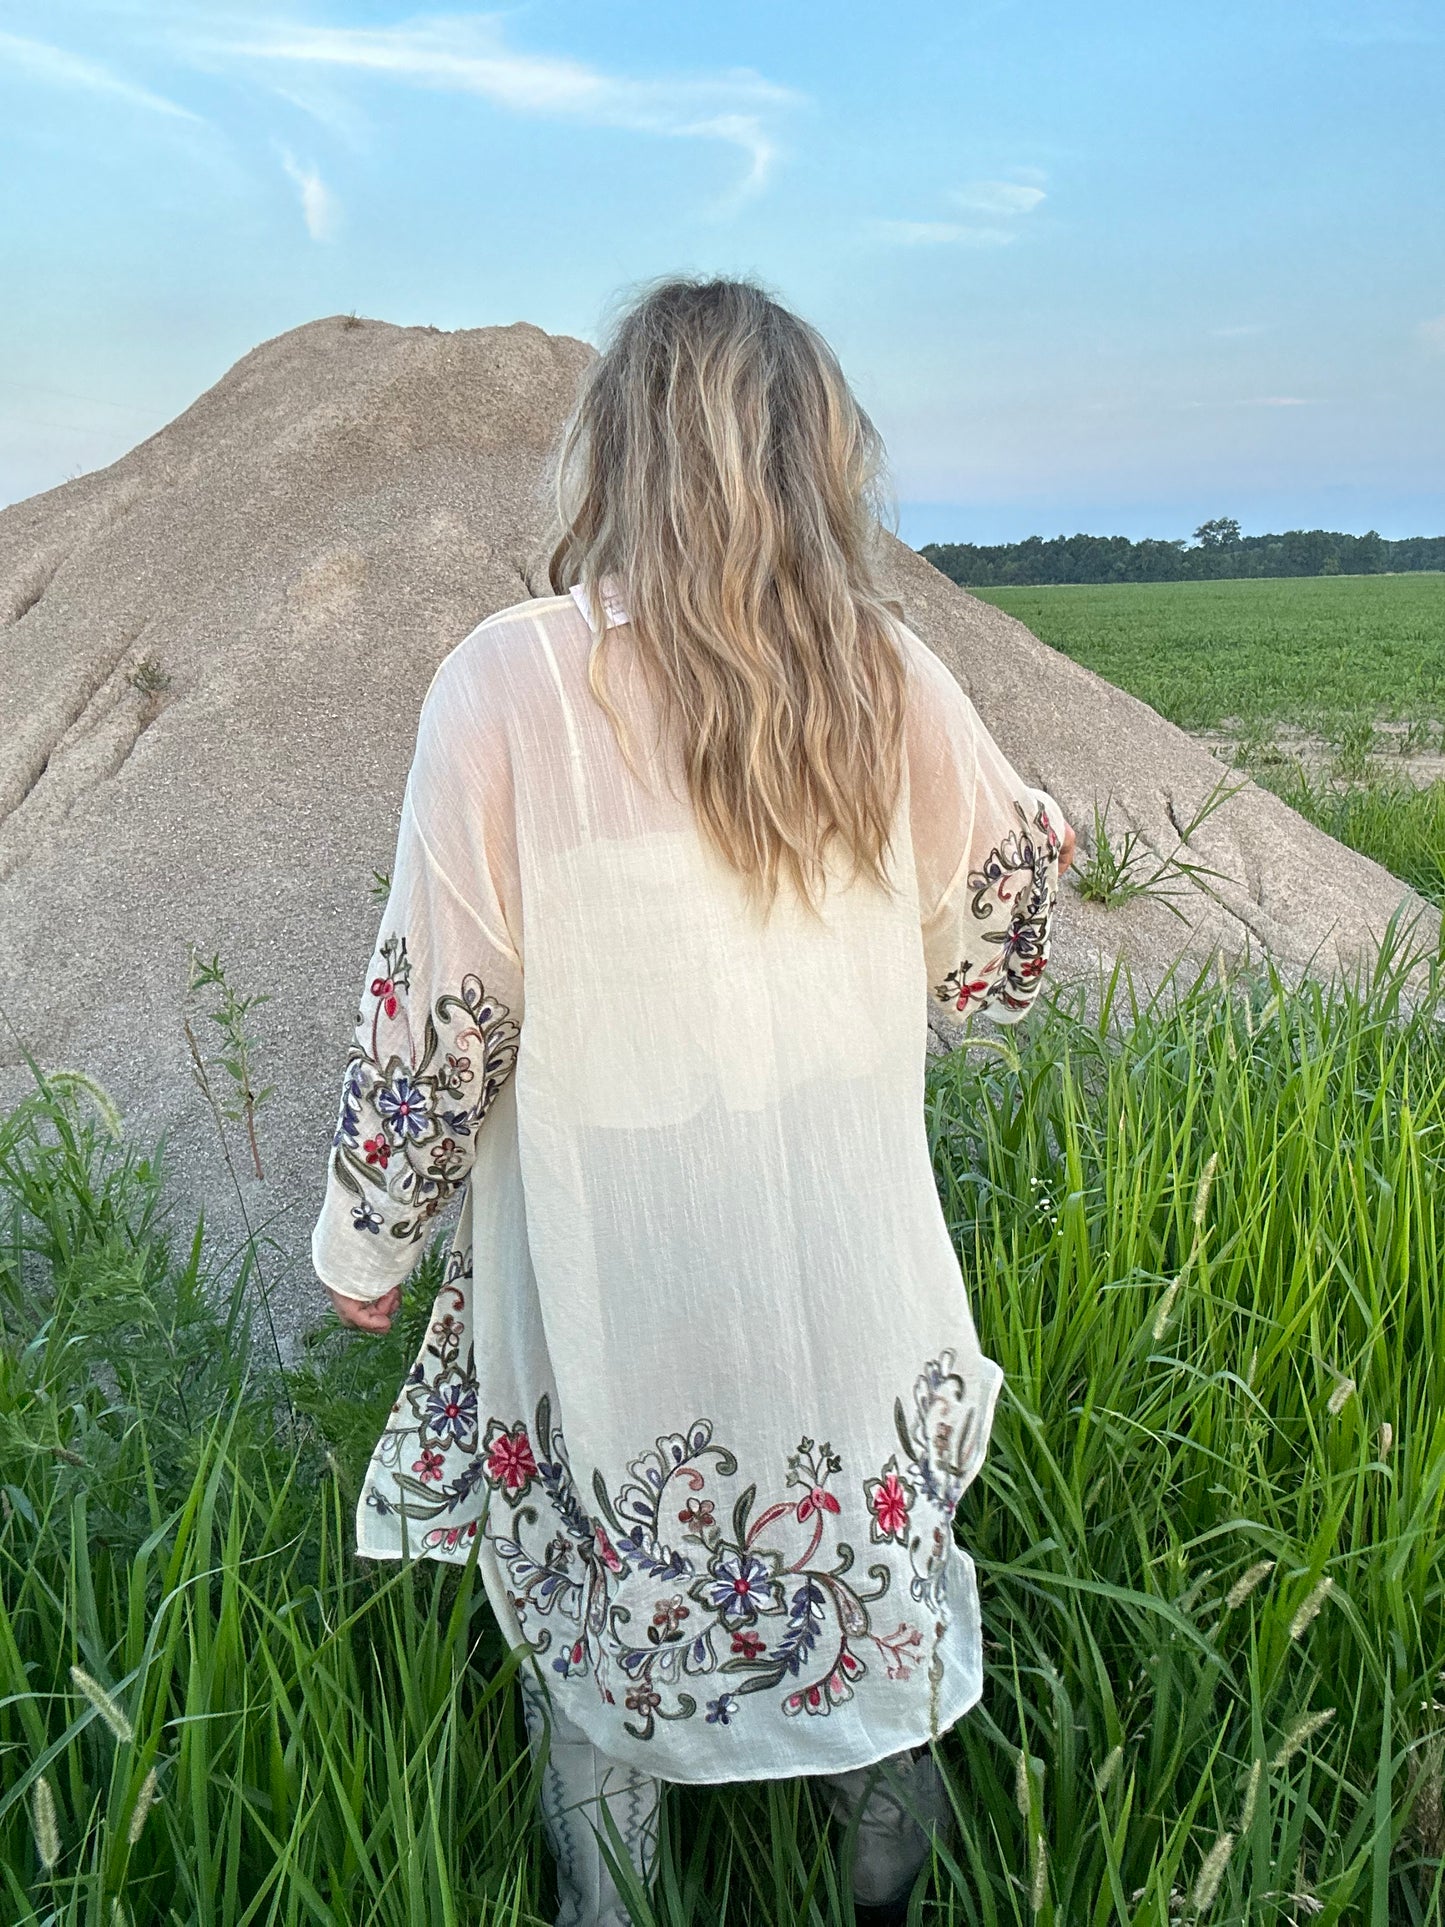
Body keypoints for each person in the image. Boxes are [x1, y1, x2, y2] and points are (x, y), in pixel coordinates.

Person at [310, 275, 1075, 1927]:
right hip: (835, 1248)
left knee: (607, 1584)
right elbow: (1000, 938)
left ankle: (620, 1905)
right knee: (871, 1566)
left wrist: (369, 1248)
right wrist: (994, 919)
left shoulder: (508, 683)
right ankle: (891, 1891)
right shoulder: (885, 676)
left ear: (620, 450)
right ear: (819, 461)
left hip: (612, 1245)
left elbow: (445, 1007)